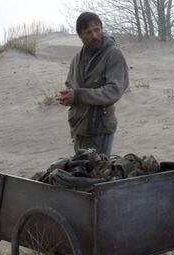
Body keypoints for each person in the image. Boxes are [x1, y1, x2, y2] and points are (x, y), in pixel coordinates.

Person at [57, 12, 129, 156]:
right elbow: (70, 84)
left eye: (97, 29)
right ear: (80, 35)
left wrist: (78, 95)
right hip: (79, 127)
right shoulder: (77, 59)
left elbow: (114, 91)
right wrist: (68, 96)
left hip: (100, 127)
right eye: (88, 32)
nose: (95, 35)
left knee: (99, 174)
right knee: (81, 174)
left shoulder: (113, 54)